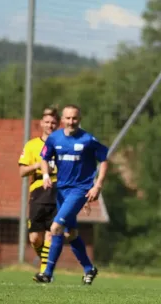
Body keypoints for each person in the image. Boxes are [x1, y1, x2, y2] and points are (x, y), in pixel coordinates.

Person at [33, 104, 108, 285]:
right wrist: (44, 175)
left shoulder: (88, 140)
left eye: (74, 118)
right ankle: (89, 269)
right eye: (67, 118)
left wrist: (97, 186)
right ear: (62, 120)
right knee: (71, 234)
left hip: (80, 190)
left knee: (56, 227)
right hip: (62, 191)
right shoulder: (54, 138)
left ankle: (47, 273)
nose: (71, 121)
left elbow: (104, 160)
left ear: (79, 119)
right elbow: (44, 157)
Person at [19, 107, 60, 274]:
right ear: (41, 124)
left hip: (58, 192)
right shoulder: (31, 145)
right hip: (38, 193)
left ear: (57, 125)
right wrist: (39, 166)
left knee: (52, 232)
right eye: (47, 122)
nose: (50, 125)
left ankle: (45, 272)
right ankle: (45, 263)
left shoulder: (62, 144)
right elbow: (22, 172)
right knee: (35, 239)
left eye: (53, 123)